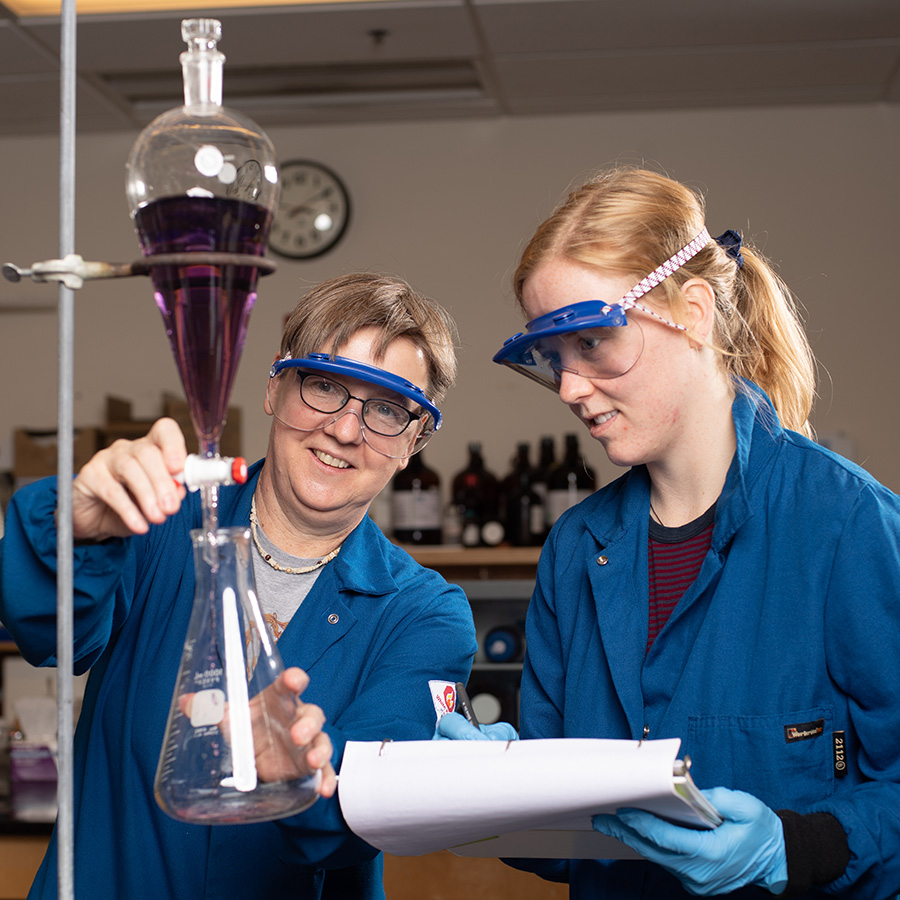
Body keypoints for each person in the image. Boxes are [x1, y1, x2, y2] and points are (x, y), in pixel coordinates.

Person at [439, 167, 900, 898]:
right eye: (553, 359)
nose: (569, 387)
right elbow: (567, 848)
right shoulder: (576, 549)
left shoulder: (846, 525)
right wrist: (501, 789)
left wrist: (793, 846)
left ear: (693, 312)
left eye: (592, 343)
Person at [0, 272, 477, 900]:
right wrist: (77, 524)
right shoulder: (160, 519)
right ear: (276, 388)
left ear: (414, 442)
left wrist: (302, 771)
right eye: (325, 386)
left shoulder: (423, 616)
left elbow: (374, 806)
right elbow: (44, 628)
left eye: (387, 409)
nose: (344, 430)